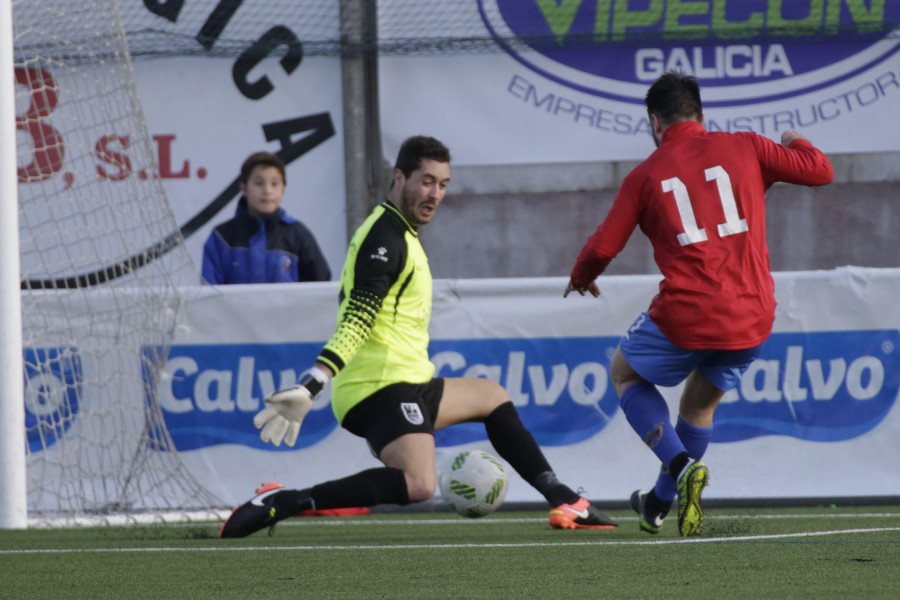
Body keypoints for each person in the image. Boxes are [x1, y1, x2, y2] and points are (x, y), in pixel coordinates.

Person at [220, 135, 618, 537]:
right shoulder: (385, 238)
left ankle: (565, 500)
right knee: (419, 484)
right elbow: (357, 318)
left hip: (406, 381)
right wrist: (313, 383)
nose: (435, 194)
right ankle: (286, 501)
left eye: (443, 184)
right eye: (426, 181)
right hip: (377, 385)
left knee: (491, 396)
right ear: (399, 177)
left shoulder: (402, 231)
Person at [564, 71, 834, 537]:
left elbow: (603, 247)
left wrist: (581, 278)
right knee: (697, 407)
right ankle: (657, 504)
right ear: (701, 115)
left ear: (655, 122)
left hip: (687, 314)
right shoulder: (746, 145)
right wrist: (795, 139)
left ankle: (680, 463)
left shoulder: (645, 175)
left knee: (624, 373)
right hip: (752, 316)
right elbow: (820, 170)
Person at [201, 151, 331, 284]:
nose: (267, 191)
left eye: (275, 184)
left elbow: (318, 288)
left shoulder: (297, 235)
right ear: (244, 187)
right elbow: (209, 293)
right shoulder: (222, 237)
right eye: (259, 183)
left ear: (283, 189)